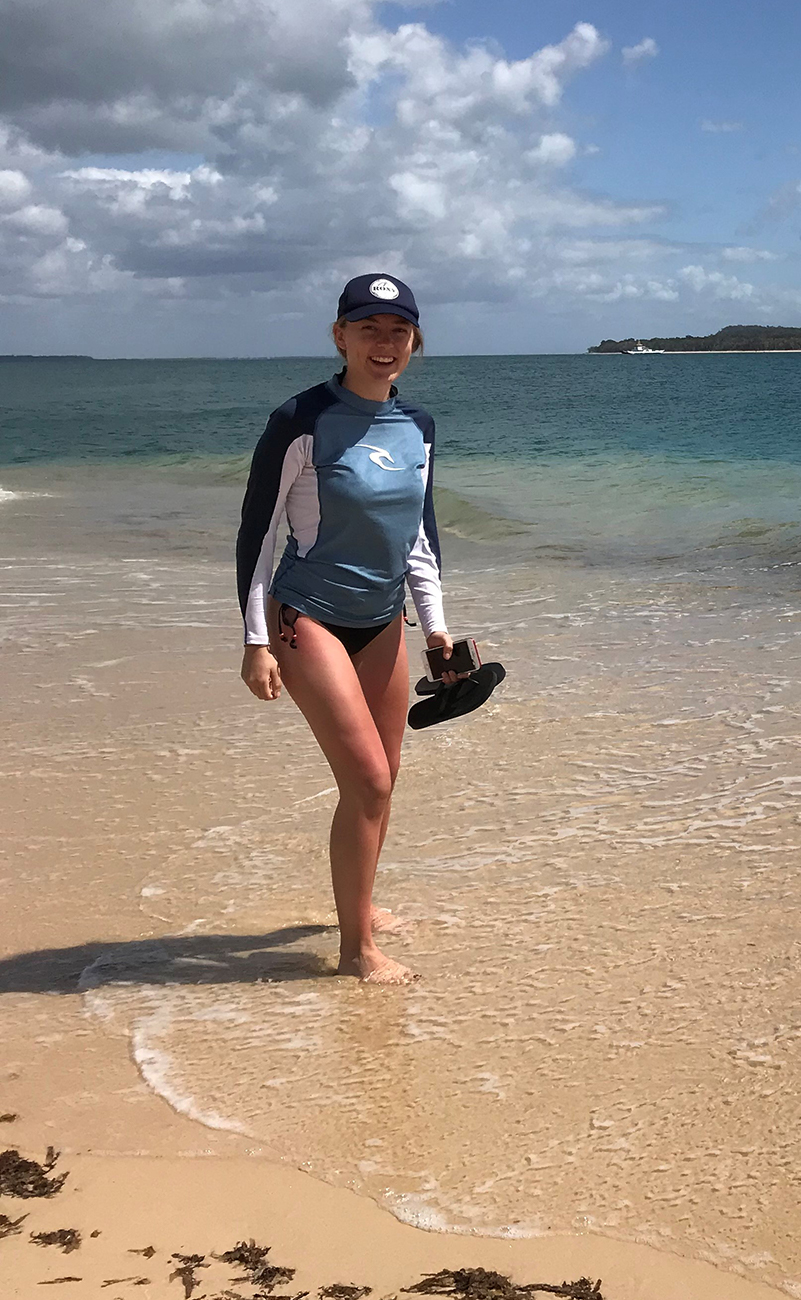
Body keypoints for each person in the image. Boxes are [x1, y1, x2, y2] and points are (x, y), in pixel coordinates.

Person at [235, 273, 463, 984]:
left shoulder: (417, 426)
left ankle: (358, 908)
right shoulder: (302, 419)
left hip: (382, 620)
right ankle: (356, 952)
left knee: (383, 779)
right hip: (309, 618)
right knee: (367, 779)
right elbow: (258, 533)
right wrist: (254, 641)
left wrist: (437, 631)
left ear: (415, 341)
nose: (384, 342)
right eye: (367, 328)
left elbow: (417, 537)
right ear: (340, 336)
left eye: (398, 331)